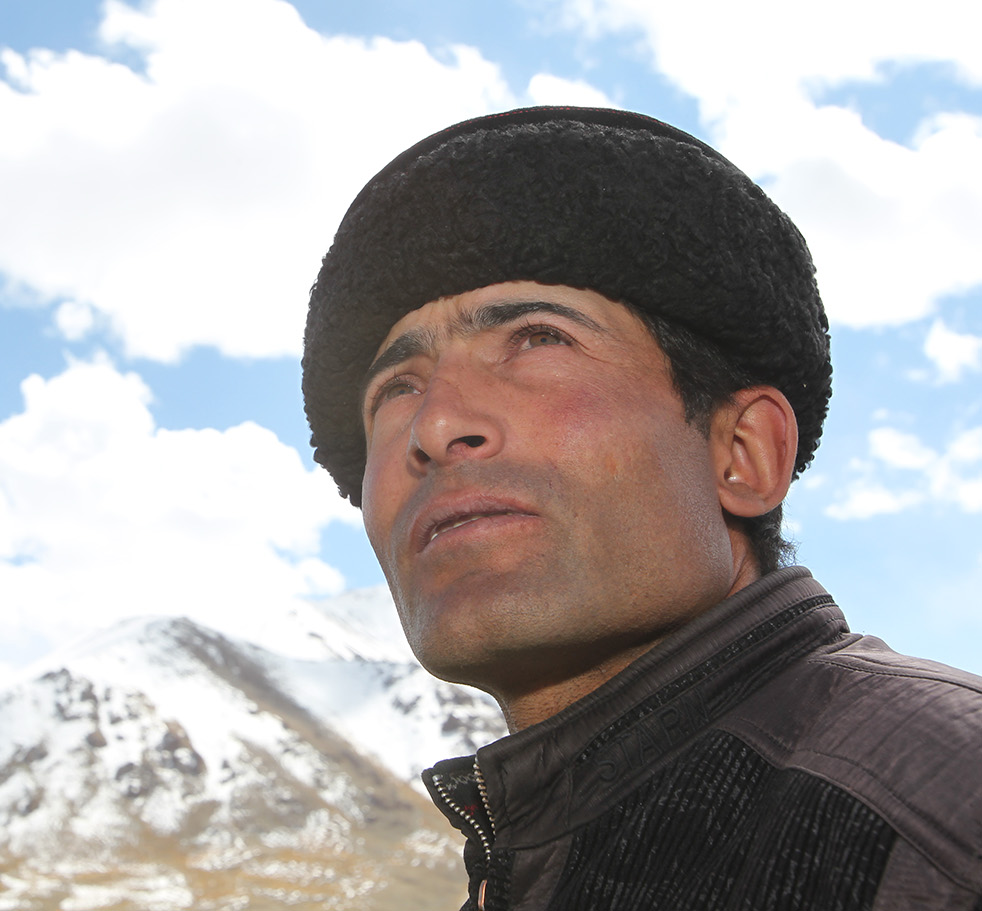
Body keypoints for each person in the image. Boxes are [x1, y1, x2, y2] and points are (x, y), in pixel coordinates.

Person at [301, 106, 982, 910]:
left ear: (743, 453)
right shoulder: (524, 860)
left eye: (538, 339)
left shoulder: (944, 816)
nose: (436, 424)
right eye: (396, 388)